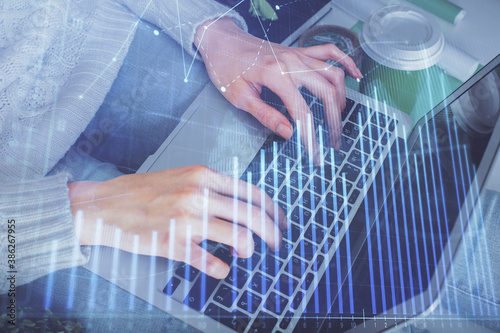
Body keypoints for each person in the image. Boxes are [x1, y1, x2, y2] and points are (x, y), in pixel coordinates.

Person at [0, 0, 361, 296]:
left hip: (89, 35)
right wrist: (82, 210)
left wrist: (213, 31)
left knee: (291, 134)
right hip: (20, 204)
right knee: (215, 294)